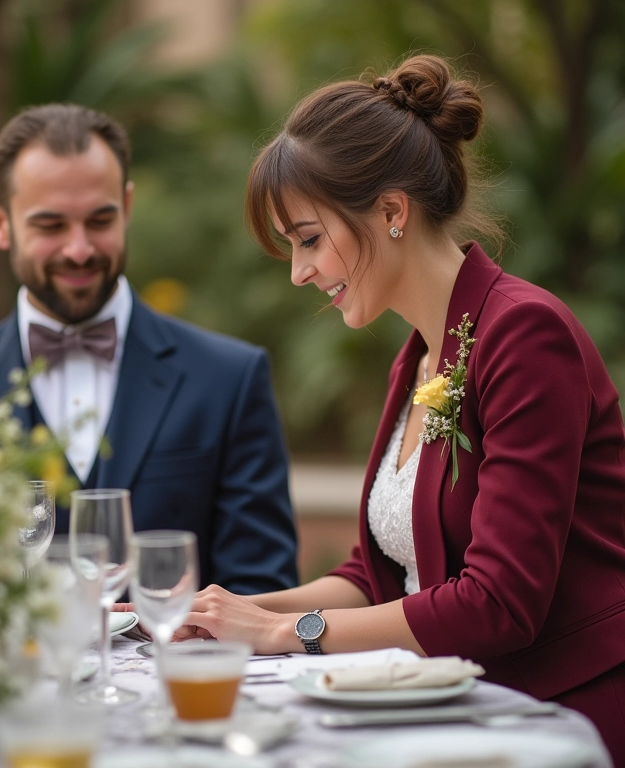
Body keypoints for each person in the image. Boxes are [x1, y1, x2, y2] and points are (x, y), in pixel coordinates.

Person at [169, 54, 625, 760]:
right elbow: (376, 576)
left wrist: (282, 634)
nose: (299, 273)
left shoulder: (525, 336)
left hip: (556, 709)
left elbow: (499, 604)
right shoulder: (416, 357)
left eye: (309, 239)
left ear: (390, 211)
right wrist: (230, 612)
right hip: (445, 705)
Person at [0, 103, 298, 595]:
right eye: (51, 226)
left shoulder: (229, 380)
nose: (80, 249)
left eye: (100, 220)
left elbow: (263, 592)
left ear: (127, 207)